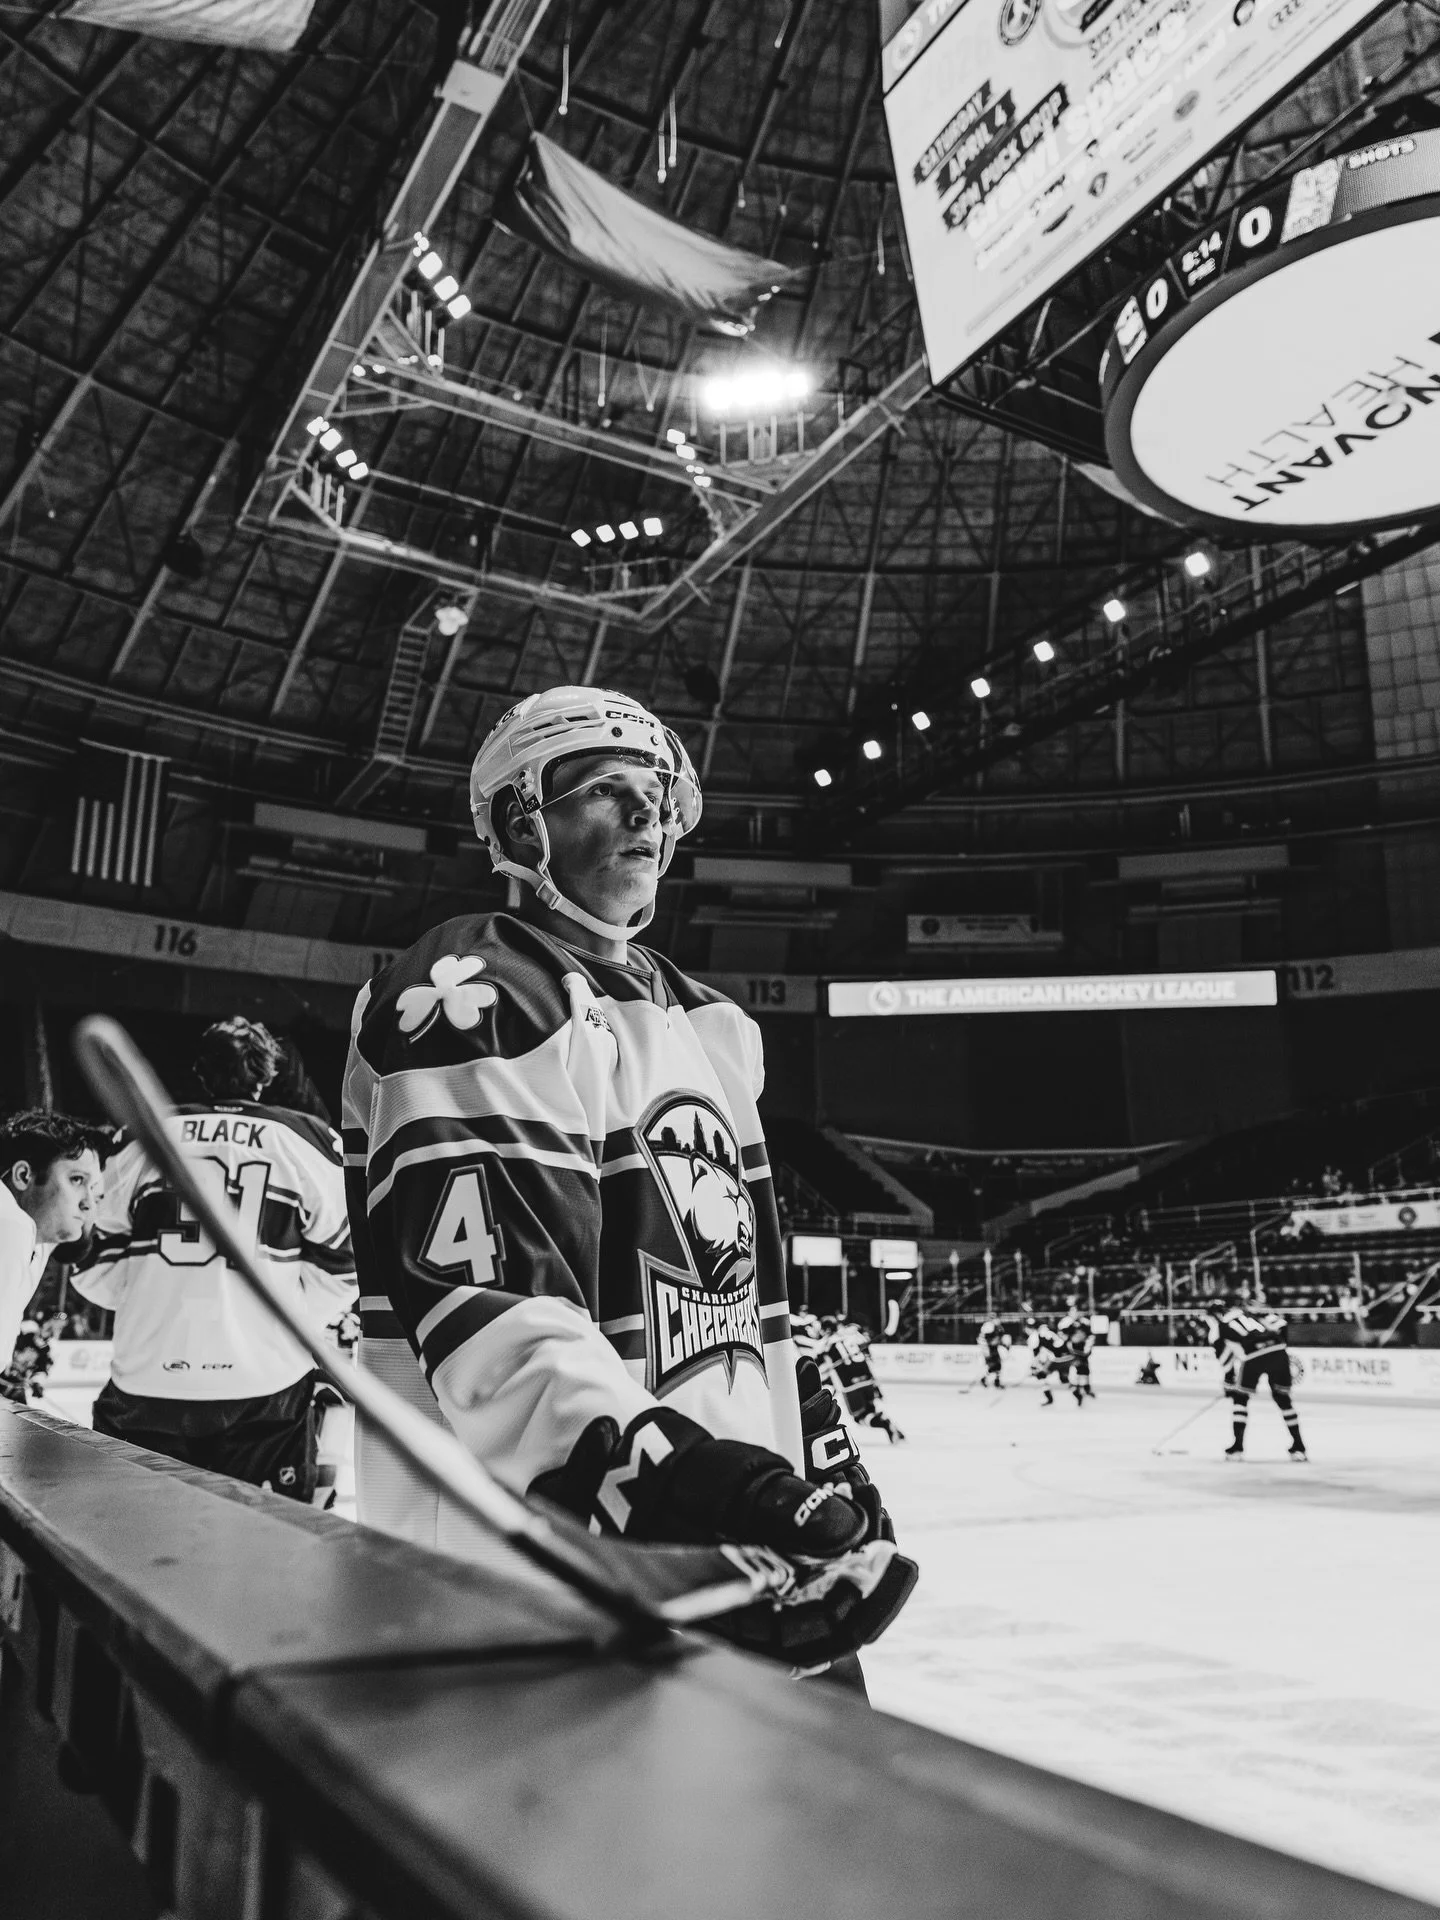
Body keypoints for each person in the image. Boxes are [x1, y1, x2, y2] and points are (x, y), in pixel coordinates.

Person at [343, 686, 912, 1671]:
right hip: (541, 1574)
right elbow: (499, 1324)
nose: (649, 815)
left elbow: (743, 1305)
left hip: (713, 1545)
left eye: (658, 794)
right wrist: (683, 1489)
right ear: (525, 821)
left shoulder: (707, 1022)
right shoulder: (472, 989)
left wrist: (809, 1454)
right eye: (609, 790)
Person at [72, 1017, 357, 1500]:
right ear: (267, 1076)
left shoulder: (142, 1137)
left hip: (147, 1379)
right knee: (268, 1548)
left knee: (128, 1545)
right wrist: (280, 1316)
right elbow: (345, 1263)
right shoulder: (308, 1141)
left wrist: (148, 1294)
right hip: (266, 1385)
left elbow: (89, 1251)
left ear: (201, 1071)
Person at [0, 1111, 106, 1390]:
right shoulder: (10, 1223)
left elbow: (73, 1247)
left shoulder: (34, 1237)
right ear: (24, 1175)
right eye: (76, 1180)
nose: (89, 1204)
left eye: (95, 1191)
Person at [1206, 1290, 1307, 1460]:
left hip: (1254, 1355)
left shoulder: (1218, 1328)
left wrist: (1228, 1382)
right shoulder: (1247, 1313)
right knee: (1282, 1398)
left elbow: (1226, 1362)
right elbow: (1281, 1324)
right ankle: (1299, 1448)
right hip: (1278, 1349)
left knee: (1240, 1398)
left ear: (1214, 1315)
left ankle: (1237, 1448)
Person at [820, 1315, 904, 1441]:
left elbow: (822, 1365)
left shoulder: (826, 1343)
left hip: (850, 1385)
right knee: (871, 1410)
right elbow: (866, 1353)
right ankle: (886, 1422)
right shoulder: (851, 1336)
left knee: (860, 1418)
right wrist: (875, 1385)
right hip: (867, 1380)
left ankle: (885, 1425)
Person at [1057, 1294, 1096, 1403]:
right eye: (1073, 1311)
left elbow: (1090, 1336)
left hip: (1082, 1351)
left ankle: (1086, 1388)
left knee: (1084, 1370)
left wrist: (1088, 1348)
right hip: (1070, 1351)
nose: (1075, 1313)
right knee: (1070, 1373)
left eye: (1076, 1311)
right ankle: (1077, 1390)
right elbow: (1061, 1336)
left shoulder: (1084, 1322)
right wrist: (1066, 1347)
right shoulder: (1066, 1323)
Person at [977, 1316, 1010, 1389]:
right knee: (994, 1365)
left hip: (993, 1348)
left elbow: (998, 1338)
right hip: (988, 1348)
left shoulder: (998, 1327)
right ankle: (986, 1379)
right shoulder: (988, 1326)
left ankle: (995, 1381)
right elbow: (987, 1339)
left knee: (998, 1365)